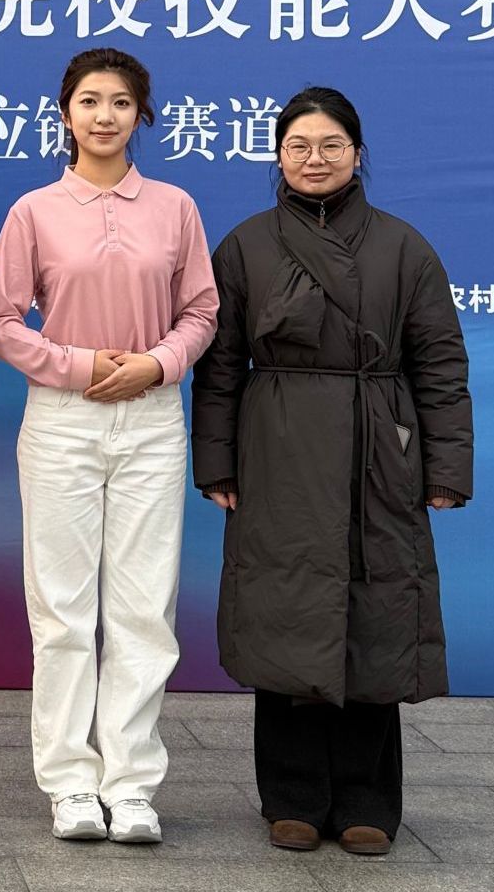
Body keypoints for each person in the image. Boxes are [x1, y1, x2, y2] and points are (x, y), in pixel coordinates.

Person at [190, 86, 472, 856]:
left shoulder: (404, 247)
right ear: (278, 156)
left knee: (374, 616)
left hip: (378, 450)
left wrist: (445, 467)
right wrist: (215, 461)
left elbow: (440, 365)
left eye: (331, 146)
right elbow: (219, 368)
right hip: (277, 448)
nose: (314, 160)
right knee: (287, 609)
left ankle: (367, 799)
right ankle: (290, 795)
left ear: (357, 153)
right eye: (299, 146)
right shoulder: (246, 245)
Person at [0, 48, 216, 845]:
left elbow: (202, 311)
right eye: (89, 101)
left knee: (143, 607)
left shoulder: (175, 207)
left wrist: (158, 363)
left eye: (119, 101)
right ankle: (71, 782)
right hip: (62, 418)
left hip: (151, 417)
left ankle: (132, 783)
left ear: (141, 114)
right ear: (66, 114)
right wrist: (78, 366)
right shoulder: (35, 211)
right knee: (63, 610)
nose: (104, 115)